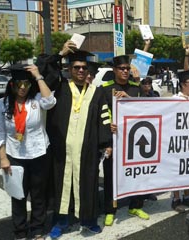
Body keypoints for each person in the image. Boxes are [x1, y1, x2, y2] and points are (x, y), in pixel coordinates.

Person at [43, 41, 113, 238]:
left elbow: (104, 118)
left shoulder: (96, 92)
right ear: (69, 69)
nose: (81, 70)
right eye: (76, 67)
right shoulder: (60, 87)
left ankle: (89, 221)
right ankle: (61, 221)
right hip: (61, 152)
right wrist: (60, 53)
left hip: (88, 150)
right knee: (62, 186)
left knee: (88, 185)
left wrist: (106, 143)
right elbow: (44, 72)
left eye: (84, 67)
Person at [0, 64, 55, 240]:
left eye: (26, 84)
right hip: (15, 155)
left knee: (38, 195)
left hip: (39, 153)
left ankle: (37, 230)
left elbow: (50, 102)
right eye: (19, 84)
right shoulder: (1, 105)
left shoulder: (36, 100)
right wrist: (3, 158)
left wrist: (38, 76)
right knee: (18, 196)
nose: (22, 88)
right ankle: (20, 232)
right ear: (12, 85)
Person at [100, 55, 149, 227]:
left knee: (136, 174)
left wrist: (129, 99)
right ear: (114, 70)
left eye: (127, 68)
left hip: (133, 142)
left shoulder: (136, 89)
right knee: (110, 177)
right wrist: (108, 131)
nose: (125, 71)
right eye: (122, 68)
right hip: (113, 141)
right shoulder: (105, 88)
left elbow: (145, 112)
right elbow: (101, 115)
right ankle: (110, 210)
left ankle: (135, 205)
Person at [171, 69, 189, 212]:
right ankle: (176, 198)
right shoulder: (175, 99)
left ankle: (187, 196)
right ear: (182, 84)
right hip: (178, 142)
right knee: (177, 170)